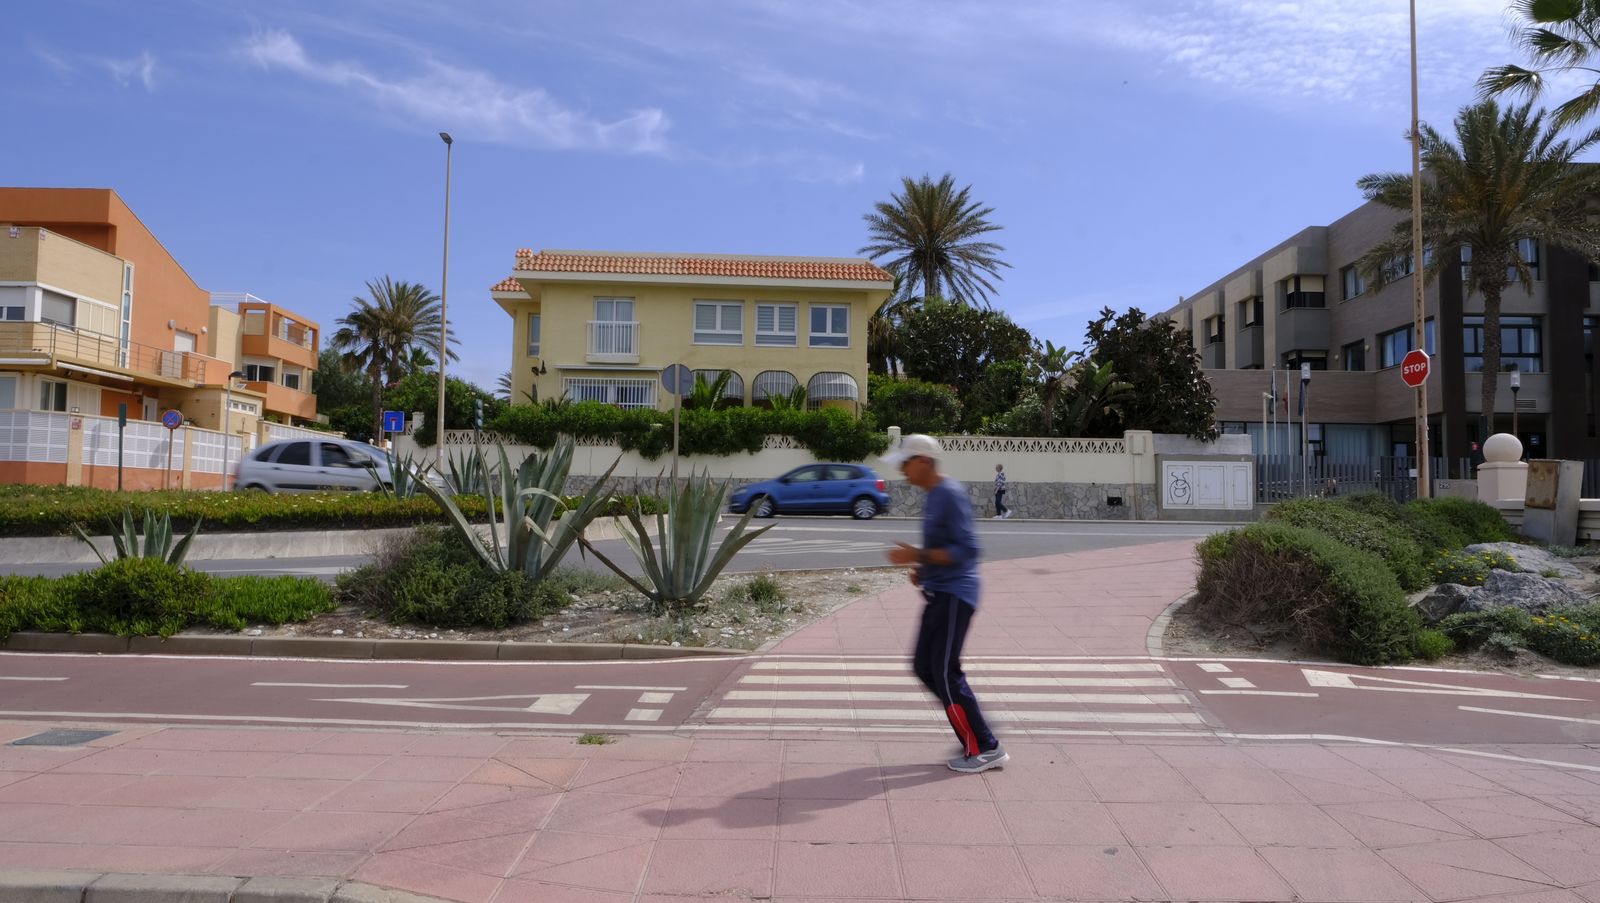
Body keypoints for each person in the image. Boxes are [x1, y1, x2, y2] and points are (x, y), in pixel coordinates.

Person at [883, 434, 1007, 774]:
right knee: (924, 667)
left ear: (923, 461)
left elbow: (968, 550)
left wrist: (917, 555)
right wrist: (923, 570)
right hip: (939, 592)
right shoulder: (934, 496)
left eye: (906, 464)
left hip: (956, 595)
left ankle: (985, 746)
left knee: (944, 671)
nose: (903, 472)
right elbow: (945, 549)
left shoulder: (949, 495)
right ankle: (973, 724)